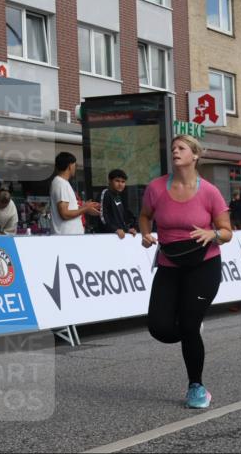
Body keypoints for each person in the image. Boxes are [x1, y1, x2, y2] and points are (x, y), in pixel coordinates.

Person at [139, 134, 232, 410]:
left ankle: (197, 386)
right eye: (173, 148)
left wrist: (212, 233)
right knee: (159, 328)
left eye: (181, 148)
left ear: (195, 155)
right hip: (170, 263)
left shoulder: (209, 192)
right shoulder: (156, 188)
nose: (175, 152)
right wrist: (145, 234)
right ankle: (191, 326)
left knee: (189, 326)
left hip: (204, 264)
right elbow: (145, 215)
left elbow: (227, 233)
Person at [50, 152, 100, 235]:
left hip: (70, 236)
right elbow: (65, 214)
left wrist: (84, 207)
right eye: (75, 165)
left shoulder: (62, 182)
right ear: (70, 166)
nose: (75, 168)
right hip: (67, 237)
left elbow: (68, 209)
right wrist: (85, 208)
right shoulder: (61, 183)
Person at [98, 169, 138, 239]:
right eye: (117, 181)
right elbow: (102, 216)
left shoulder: (117, 196)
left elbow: (120, 219)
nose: (120, 184)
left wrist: (127, 229)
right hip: (106, 237)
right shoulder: (105, 193)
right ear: (110, 181)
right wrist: (115, 229)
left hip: (118, 236)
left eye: (123, 182)